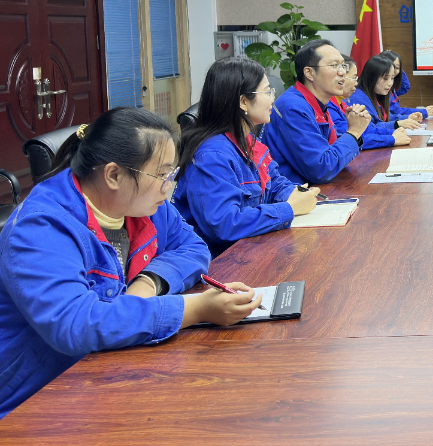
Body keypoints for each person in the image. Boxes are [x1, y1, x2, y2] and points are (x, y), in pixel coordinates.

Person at [0, 108, 262, 417]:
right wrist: (195, 309)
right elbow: (76, 324)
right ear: (113, 175)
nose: (169, 186)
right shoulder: (40, 228)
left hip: (108, 372)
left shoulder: (141, 203)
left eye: (171, 174)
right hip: (38, 398)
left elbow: (192, 246)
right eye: (161, 175)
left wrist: (148, 283)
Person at [173, 57, 320, 257]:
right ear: (243, 101)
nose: (273, 99)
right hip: (220, 262)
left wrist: (296, 194)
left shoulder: (247, 140)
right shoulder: (211, 156)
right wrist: (289, 209)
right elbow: (225, 224)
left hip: (251, 249)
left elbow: (274, 182)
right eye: (267, 92)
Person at [262, 40, 372, 184]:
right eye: (334, 66)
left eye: (343, 66)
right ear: (309, 73)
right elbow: (321, 169)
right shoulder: (293, 107)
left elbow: (330, 148)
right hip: (296, 192)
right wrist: (354, 132)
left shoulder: (317, 103)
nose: (342, 72)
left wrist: (355, 131)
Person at [349, 54, 417, 149]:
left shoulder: (376, 94)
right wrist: (392, 136)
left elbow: (378, 122)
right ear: (371, 77)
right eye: (385, 78)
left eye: (392, 78)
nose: (390, 83)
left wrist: (397, 126)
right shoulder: (358, 98)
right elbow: (365, 133)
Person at [379, 50, 433, 120]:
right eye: (391, 67)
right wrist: (421, 112)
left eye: (397, 68)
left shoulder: (391, 87)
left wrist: (399, 70)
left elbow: (405, 87)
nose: (393, 70)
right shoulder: (382, 89)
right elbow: (396, 112)